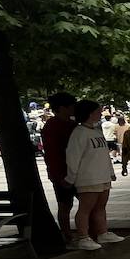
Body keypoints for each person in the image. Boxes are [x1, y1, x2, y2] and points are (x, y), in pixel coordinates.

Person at [65, 100, 118, 251]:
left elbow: (104, 155)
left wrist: (111, 172)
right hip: (88, 177)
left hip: (103, 176)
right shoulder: (79, 133)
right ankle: (83, 237)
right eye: (97, 111)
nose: (100, 113)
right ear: (90, 113)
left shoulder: (96, 131)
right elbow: (73, 157)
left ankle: (103, 232)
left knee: (101, 207)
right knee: (85, 208)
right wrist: (71, 177)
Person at [41, 92, 79, 247]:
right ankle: (67, 235)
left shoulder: (72, 124)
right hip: (62, 172)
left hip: (75, 170)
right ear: (63, 108)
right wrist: (60, 176)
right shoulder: (52, 126)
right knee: (65, 204)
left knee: (74, 203)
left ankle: (75, 233)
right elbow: (53, 154)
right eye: (71, 106)